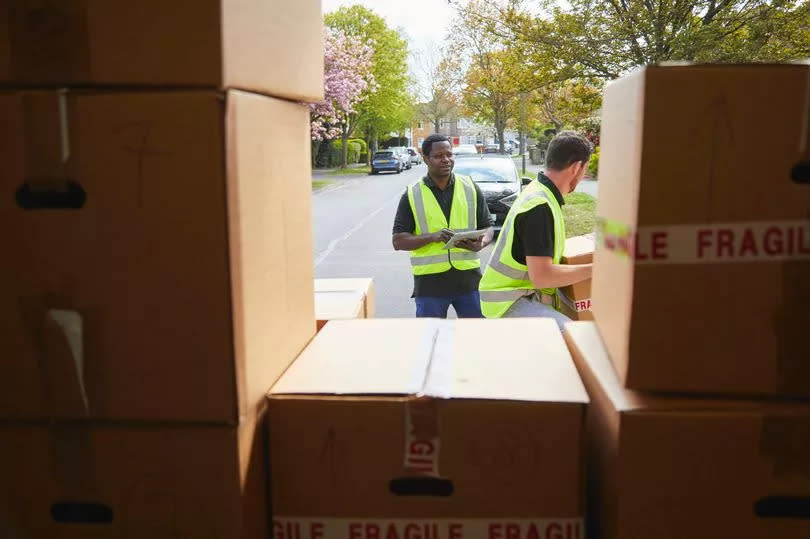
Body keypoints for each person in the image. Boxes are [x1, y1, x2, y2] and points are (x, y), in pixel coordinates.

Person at [478, 131, 593, 328]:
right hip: (508, 301)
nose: (584, 176)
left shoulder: (540, 191)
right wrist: (597, 270)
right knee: (574, 338)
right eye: (585, 170)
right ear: (576, 167)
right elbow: (542, 277)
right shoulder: (539, 206)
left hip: (520, 295)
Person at [392, 134, 493, 318]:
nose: (446, 160)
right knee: (430, 339)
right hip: (430, 286)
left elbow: (488, 227)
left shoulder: (469, 186)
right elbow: (398, 241)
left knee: (478, 337)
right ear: (426, 159)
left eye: (449, 154)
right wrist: (433, 236)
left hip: (469, 282)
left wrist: (482, 243)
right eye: (438, 156)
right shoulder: (412, 194)